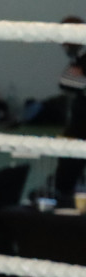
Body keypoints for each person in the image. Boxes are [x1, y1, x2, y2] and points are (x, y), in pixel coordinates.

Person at [54, 15, 86, 203]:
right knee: (66, 171)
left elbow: (70, 82)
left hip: (81, 127)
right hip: (79, 124)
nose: (64, 44)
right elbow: (66, 82)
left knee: (67, 172)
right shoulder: (79, 58)